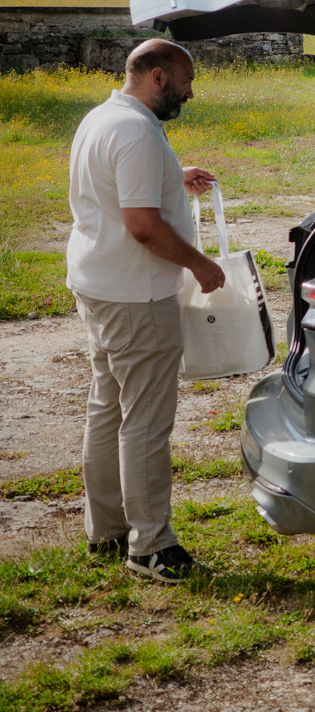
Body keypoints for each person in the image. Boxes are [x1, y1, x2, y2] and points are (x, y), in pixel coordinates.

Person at [66, 38, 222, 584]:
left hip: (100, 285)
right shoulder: (136, 130)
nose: (190, 91)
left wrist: (172, 178)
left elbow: (116, 191)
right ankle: (151, 546)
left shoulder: (103, 117)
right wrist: (200, 264)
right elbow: (141, 225)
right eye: (186, 80)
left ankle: (106, 530)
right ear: (158, 76)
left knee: (107, 408)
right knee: (146, 421)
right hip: (137, 297)